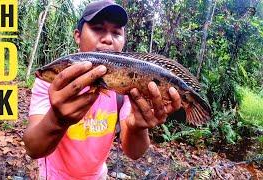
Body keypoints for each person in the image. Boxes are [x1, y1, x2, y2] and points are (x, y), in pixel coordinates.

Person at [23, 0, 182, 179]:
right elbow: (33, 148)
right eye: (98, 28)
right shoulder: (53, 83)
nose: (108, 39)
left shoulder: (126, 86)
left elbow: (134, 153)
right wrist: (57, 120)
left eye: (116, 33)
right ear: (77, 35)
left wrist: (137, 127)